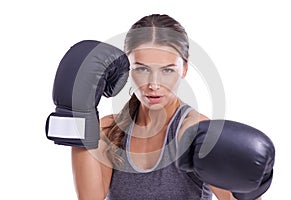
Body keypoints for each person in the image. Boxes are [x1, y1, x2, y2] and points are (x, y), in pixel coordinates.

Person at [71, 14, 267, 200]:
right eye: (142, 68)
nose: (154, 84)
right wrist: (80, 115)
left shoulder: (194, 131)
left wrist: (253, 189)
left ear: (185, 67)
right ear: (127, 68)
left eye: (167, 70)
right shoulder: (109, 129)